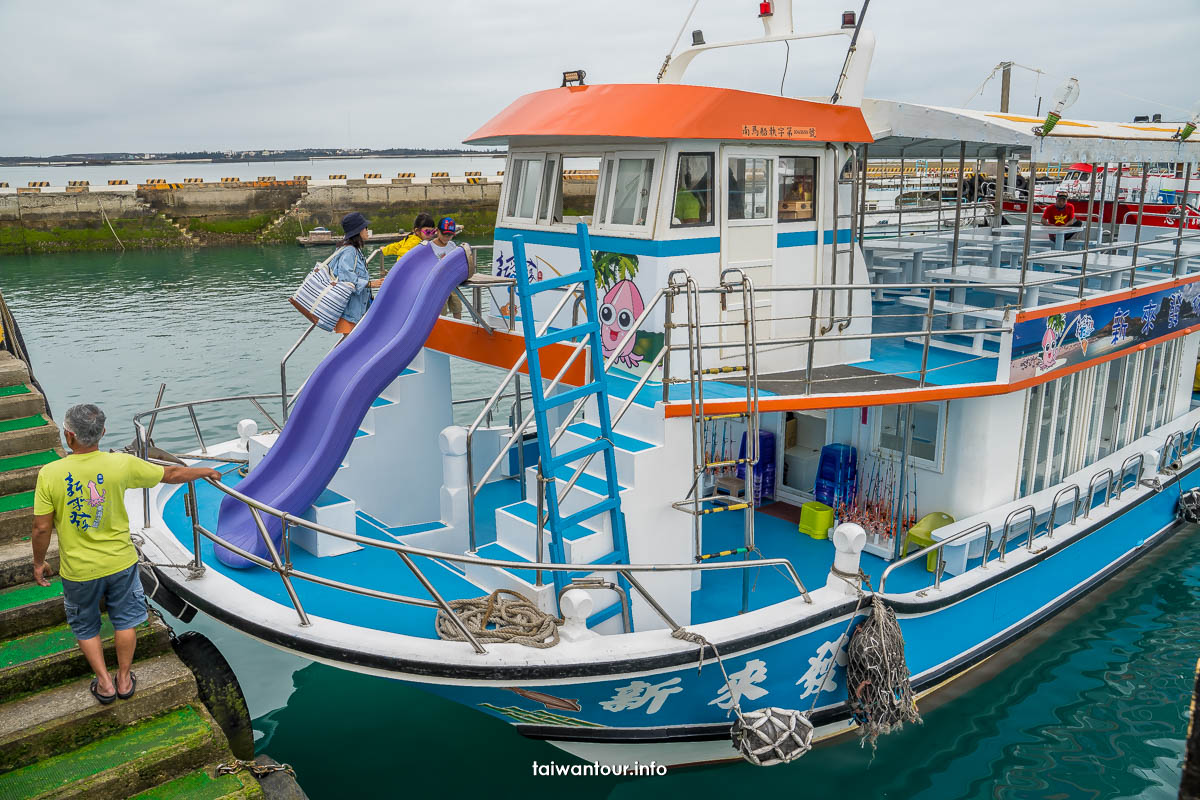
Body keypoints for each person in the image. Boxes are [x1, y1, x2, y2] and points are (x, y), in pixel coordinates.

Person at [31, 404, 220, 705]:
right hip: (121, 563)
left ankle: (105, 684)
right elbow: (170, 473)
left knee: (85, 625)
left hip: (78, 570)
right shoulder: (119, 464)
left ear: (68, 435)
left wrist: (39, 563)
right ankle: (123, 677)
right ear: (103, 433)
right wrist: (205, 471)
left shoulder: (50, 473)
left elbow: (41, 528)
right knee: (124, 622)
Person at [330, 211, 373, 334]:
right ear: (358, 230)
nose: (367, 230)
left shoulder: (351, 249)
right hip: (350, 313)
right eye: (365, 227)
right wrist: (370, 284)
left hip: (354, 311)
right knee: (351, 347)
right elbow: (346, 278)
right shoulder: (349, 251)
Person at [430, 217, 468, 319]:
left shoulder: (452, 245)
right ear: (437, 231)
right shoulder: (431, 246)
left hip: (452, 283)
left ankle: (458, 328)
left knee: (457, 307)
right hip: (439, 284)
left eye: (450, 235)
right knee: (441, 311)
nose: (447, 237)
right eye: (444, 234)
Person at [379, 212, 436, 280]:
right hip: (406, 273)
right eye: (428, 232)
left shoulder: (410, 238)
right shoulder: (415, 241)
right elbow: (402, 251)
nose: (430, 235)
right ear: (417, 230)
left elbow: (397, 246)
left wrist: (385, 250)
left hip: (400, 271)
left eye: (433, 232)